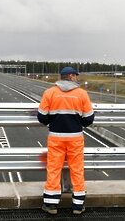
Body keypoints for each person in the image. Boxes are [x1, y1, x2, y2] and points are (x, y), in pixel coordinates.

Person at [37, 66, 95, 215]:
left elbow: (42, 117)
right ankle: (78, 205)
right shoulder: (82, 94)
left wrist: (53, 121)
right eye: (75, 75)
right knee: (77, 170)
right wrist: (76, 123)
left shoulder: (49, 93)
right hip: (75, 138)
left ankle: (51, 204)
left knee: (54, 169)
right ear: (70, 76)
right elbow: (89, 119)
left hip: (56, 137)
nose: (76, 77)